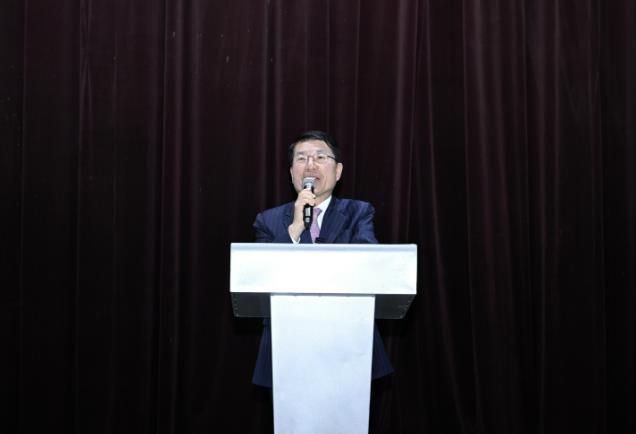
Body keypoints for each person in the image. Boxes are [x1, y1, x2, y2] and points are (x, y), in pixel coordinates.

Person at [251, 129, 394, 387]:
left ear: (338, 171)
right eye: (301, 158)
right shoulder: (268, 221)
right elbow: (261, 278)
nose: (310, 165)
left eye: (320, 157)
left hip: (350, 345)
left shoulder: (358, 213)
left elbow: (367, 265)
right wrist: (295, 229)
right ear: (291, 173)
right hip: (287, 346)